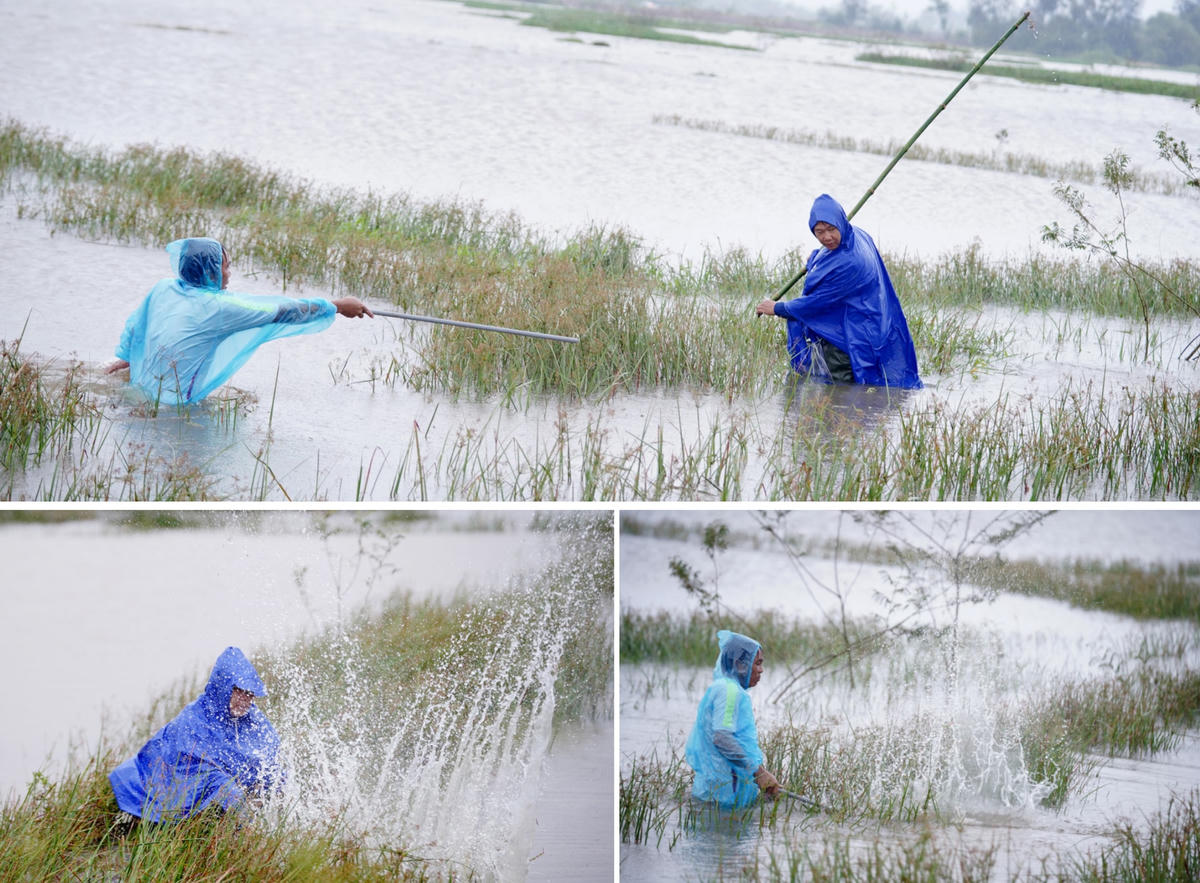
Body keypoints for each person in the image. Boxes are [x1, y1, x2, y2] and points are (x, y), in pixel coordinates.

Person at [106, 237, 373, 405]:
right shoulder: (219, 309)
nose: (229, 273)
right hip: (170, 406)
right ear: (211, 271)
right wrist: (337, 306)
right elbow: (283, 311)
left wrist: (128, 359)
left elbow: (137, 328)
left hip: (135, 389)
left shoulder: (165, 288)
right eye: (226, 266)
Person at [756, 194, 922, 390]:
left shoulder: (851, 263)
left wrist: (777, 307)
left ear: (841, 224)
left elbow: (816, 303)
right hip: (864, 322)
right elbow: (830, 257)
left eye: (831, 229)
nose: (826, 237)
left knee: (841, 390)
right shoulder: (856, 234)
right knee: (851, 394)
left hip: (851, 336)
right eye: (819, 232)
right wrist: (817, 257)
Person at [109, 646, 283, 822]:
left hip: (227, 786)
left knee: (277, 779)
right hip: (181, 779)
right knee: (229, 794)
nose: (244, 700)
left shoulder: (254, 720)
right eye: (238, 691)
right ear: (223, 687)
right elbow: (189, 764)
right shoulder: (194, 718)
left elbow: (271, 754)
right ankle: (241, 839)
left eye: (249, 694)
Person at [685, 629, 781, 808]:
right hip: (721, 799)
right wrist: (759, 773)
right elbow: (722, 737)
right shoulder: (729, 691)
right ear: (740, 664)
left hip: (720, 794)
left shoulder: (726, 688)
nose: (761, 670)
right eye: (757, 663)